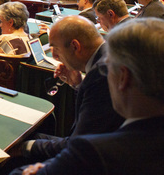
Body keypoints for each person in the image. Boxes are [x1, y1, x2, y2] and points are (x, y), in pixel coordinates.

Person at [10, 18, 164, 175]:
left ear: (123, 78)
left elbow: (79, 146)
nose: (106, 73)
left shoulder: (92, 153)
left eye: (109, 69)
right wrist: (78, 85)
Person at [14, 15, 124, 163]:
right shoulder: (110, 53)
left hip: (105, 160)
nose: (54, 56)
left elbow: (80, 146)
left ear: (75, 46)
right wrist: (77, 84)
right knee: (37, 137)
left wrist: (25, 147)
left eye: (56, 48)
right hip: (103, 147)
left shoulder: (101, 75)